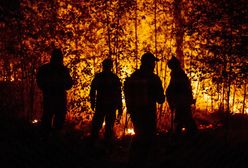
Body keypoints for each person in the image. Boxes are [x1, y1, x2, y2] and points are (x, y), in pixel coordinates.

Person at [124, 52, 165, 167]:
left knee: (138, 135)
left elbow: (127, 95)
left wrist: (130, 109)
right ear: (149, 63)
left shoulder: (133, 77)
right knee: (150, 137)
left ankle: (133, 160)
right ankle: (148, 161)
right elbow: (160, 99)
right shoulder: (154, 78)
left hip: (136, 113)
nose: (154, 65)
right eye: (153, 62)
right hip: (148, 113)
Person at [36, 48, 73, 135]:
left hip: (55, 98)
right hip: (53, 98)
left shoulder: (60, 70)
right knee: (49, 119)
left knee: (54, 120)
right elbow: (40, 82)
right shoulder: (48, 69)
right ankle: (49, 139)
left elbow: (69, 84)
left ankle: (50, 139)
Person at [89, 58, 122, 150]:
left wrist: (92, 102)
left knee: (98, 126)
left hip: (102, 105)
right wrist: (119, 107)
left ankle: (94, 145)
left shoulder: (99, 77)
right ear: (111, 66)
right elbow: (118, 94)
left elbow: (92, 91)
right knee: (107, 127)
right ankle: (105, 146)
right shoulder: (114, 78)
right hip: (109, 106)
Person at [166, 56, 197, 136]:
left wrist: (171, 98)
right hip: (182, 101)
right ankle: (189, 136)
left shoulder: (178, 75)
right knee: (184, 120)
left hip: (182, 102)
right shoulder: (178, 74)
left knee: (184, 120)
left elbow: (174, 88)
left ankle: (187, 137)